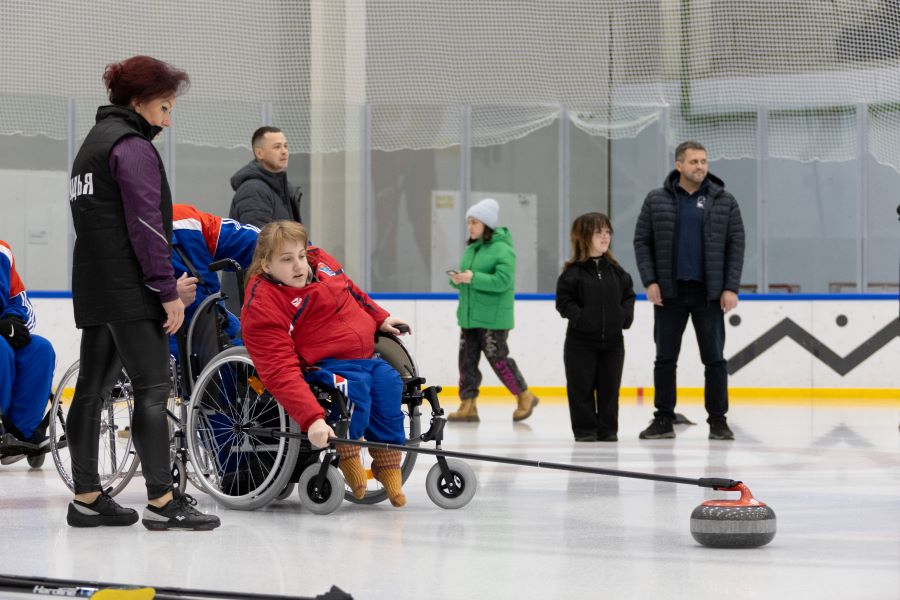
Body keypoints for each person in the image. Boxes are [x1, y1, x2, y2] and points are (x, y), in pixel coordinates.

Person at [67, 55, 220, 530]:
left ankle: (87, 496)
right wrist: (165, 289)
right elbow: (147, 225)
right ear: (138, 101)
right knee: (153, 392)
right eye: (164, 108)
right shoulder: (131, 147)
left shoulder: (91, 146)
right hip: (131, 289)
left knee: (91, 390)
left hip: (95, 285)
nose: (168, 121)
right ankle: (162, 501)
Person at [241, 221, 412, 507]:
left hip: (362, 357)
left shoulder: (321, 263)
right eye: (287, 260)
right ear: (266, 265)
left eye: (300, 255)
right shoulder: (264, 302)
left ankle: (388, 463)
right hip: (323, 364)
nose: (299, 265)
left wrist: (380, 317)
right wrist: (312, 419)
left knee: (389, 383)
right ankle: (349, 454)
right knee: (356, 388)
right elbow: (278, 369)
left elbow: (352, 291)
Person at [633, 140, 745, 441]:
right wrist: (650, 281)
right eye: (694, 161)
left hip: (709, 294)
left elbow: (736, 246)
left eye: (703, 161)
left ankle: (718, 421)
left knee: (715, 359)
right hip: (669, 294)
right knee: (665, 358)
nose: (700, 167)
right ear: (679, 165)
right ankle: (663, 418)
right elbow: (642, 241)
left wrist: (730, 287)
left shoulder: (724, 201)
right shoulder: (656, 199)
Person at [447, 198, 538, 423]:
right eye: (468, 222)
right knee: (466, 361)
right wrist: (458, 280)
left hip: (493, 318)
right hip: (469, 316)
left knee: (498, 360)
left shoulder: (503, 249)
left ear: (486, 224)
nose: (470, 226)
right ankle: (468, 404)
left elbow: (503, 281)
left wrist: (473, 278)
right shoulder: (472, 249)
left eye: (474, 222)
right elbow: (470, 279)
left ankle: (524, 395)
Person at [556, 213, 635, 442]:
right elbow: (564, 302)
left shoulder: (618, 272)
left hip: (613, 343)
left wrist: (624, 318)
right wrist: (581, 319)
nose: (605, 236)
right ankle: (585, 430)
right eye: (598, 232)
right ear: (583, 236)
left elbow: (628, 297)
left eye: (608, 232)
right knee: (580, 388)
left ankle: (608, 429)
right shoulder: (572, 273)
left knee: (610, 388)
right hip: (580, 342)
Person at [169, 203, 260, 359]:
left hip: (218, 334)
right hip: (164, 350)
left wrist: (297, 253)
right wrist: (166, 297)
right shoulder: (122, 239)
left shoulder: (182, 220)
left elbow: (256, 242)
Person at [0, 240, 55, 464]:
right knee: (1, 348)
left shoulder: (2, 250)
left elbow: (22, 303)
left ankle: (21, 433)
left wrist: (14, 319)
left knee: (41, 350)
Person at [228, 126, 302, 228]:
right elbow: (259, 236)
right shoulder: (254, 190)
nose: (284, 151)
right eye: (277, 147)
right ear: (259, 153)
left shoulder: (280, 188)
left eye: (285, 146)